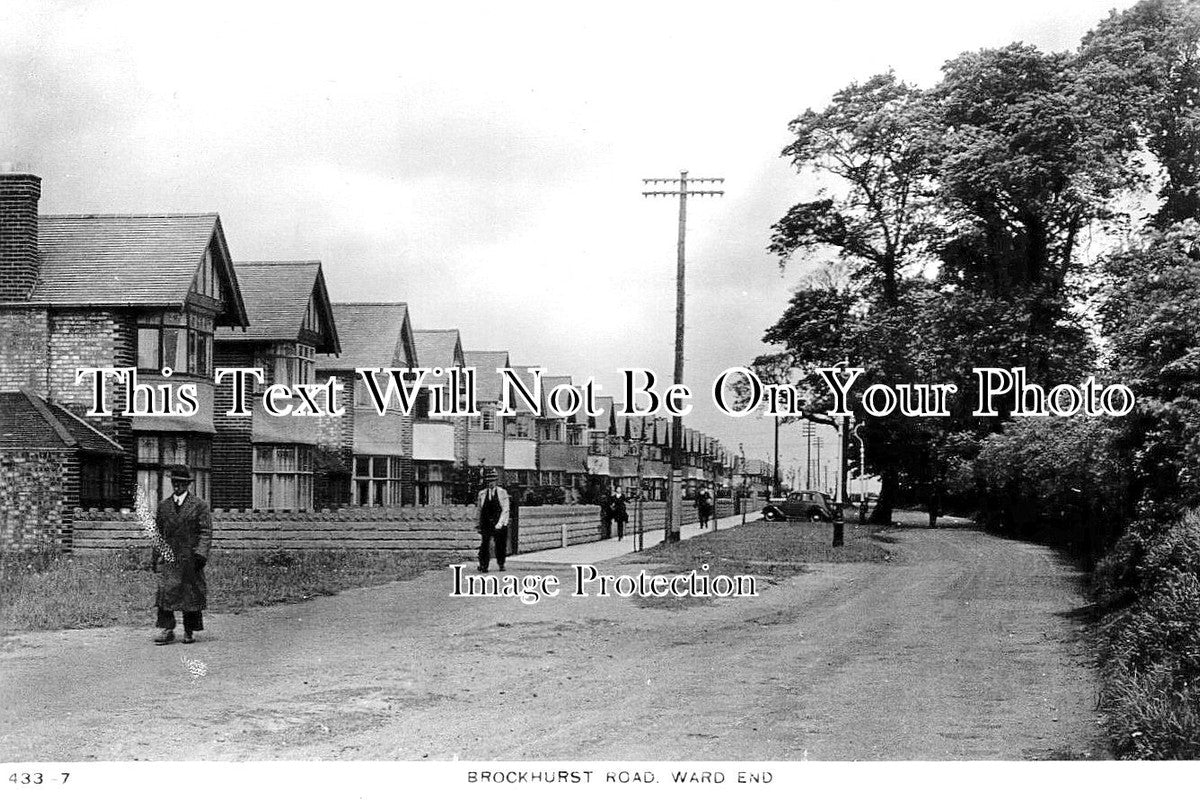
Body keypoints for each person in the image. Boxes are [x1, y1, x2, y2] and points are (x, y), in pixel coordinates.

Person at [151, 465, 212, 645]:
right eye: (175, 483)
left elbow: (206, 532)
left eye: (182, 483)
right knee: (166, 593)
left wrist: (201, 554)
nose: (178, 486)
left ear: (188, 485)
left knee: (190, 594)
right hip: (170, 557)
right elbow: (158, 534)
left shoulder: (199, 505)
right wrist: (155, 557)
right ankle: (167, 629)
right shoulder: (164, 506)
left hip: (190, 557)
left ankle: (189, 630)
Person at [476, 469, 510, 572]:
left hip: (499, 522)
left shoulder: (502, 492)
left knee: (500, 544)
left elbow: (505, 509)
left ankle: (501, 563)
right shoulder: (482, 494)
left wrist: (500, 524)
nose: (490, 483)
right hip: (486, 522)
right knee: (485, 544)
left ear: (496, 481)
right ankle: (484, 565)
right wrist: (478, 523)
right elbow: (479, 509)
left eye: (492, 481)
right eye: (488, 481)